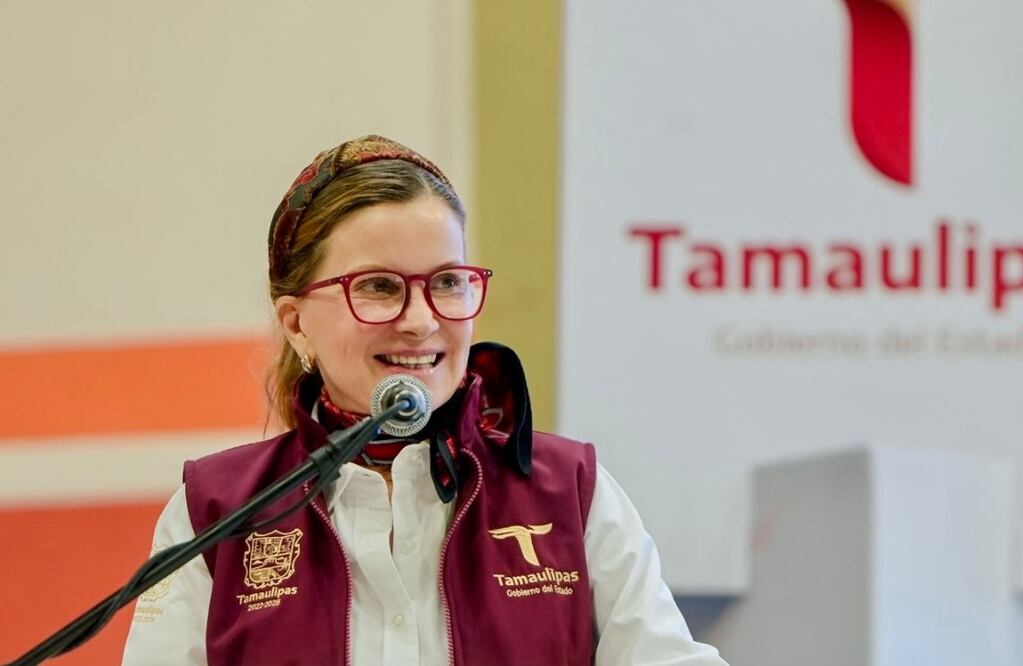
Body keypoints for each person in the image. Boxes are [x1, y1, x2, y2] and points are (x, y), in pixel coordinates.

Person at [122, 135, 728, 665]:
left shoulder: (571, 491)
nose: (420, 321)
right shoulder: (213, 512)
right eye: (379, 287)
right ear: (297, 322)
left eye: (446, 282)